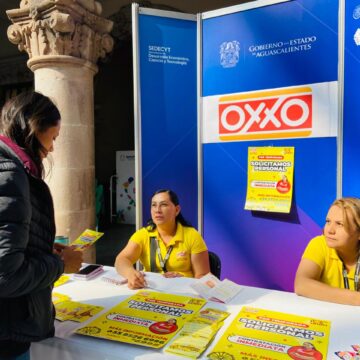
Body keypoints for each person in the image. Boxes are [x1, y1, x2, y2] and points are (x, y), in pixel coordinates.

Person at [0, 91, 83, 360]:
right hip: (8, 334)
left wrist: (43, 247)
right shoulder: (11, 174)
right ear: (34, 127)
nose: (53, 148)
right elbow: (6, 276)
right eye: (54, 137)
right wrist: (60, 265)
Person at [115, 189, 210, 289]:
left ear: (177, 210)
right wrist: (131, 274)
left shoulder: (192, 235)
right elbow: (121, 260)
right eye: (154, 205)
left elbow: (203, 276)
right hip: (151, 292)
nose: (157, 210)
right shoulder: (143, 234)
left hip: (184, 293)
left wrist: (184, 279)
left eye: (163, 205)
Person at [294, 197, 360, 305]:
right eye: (328, 221)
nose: (329, 230)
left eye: (340, 224)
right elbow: (301, 284)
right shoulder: (319, 244)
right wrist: (356, 299)